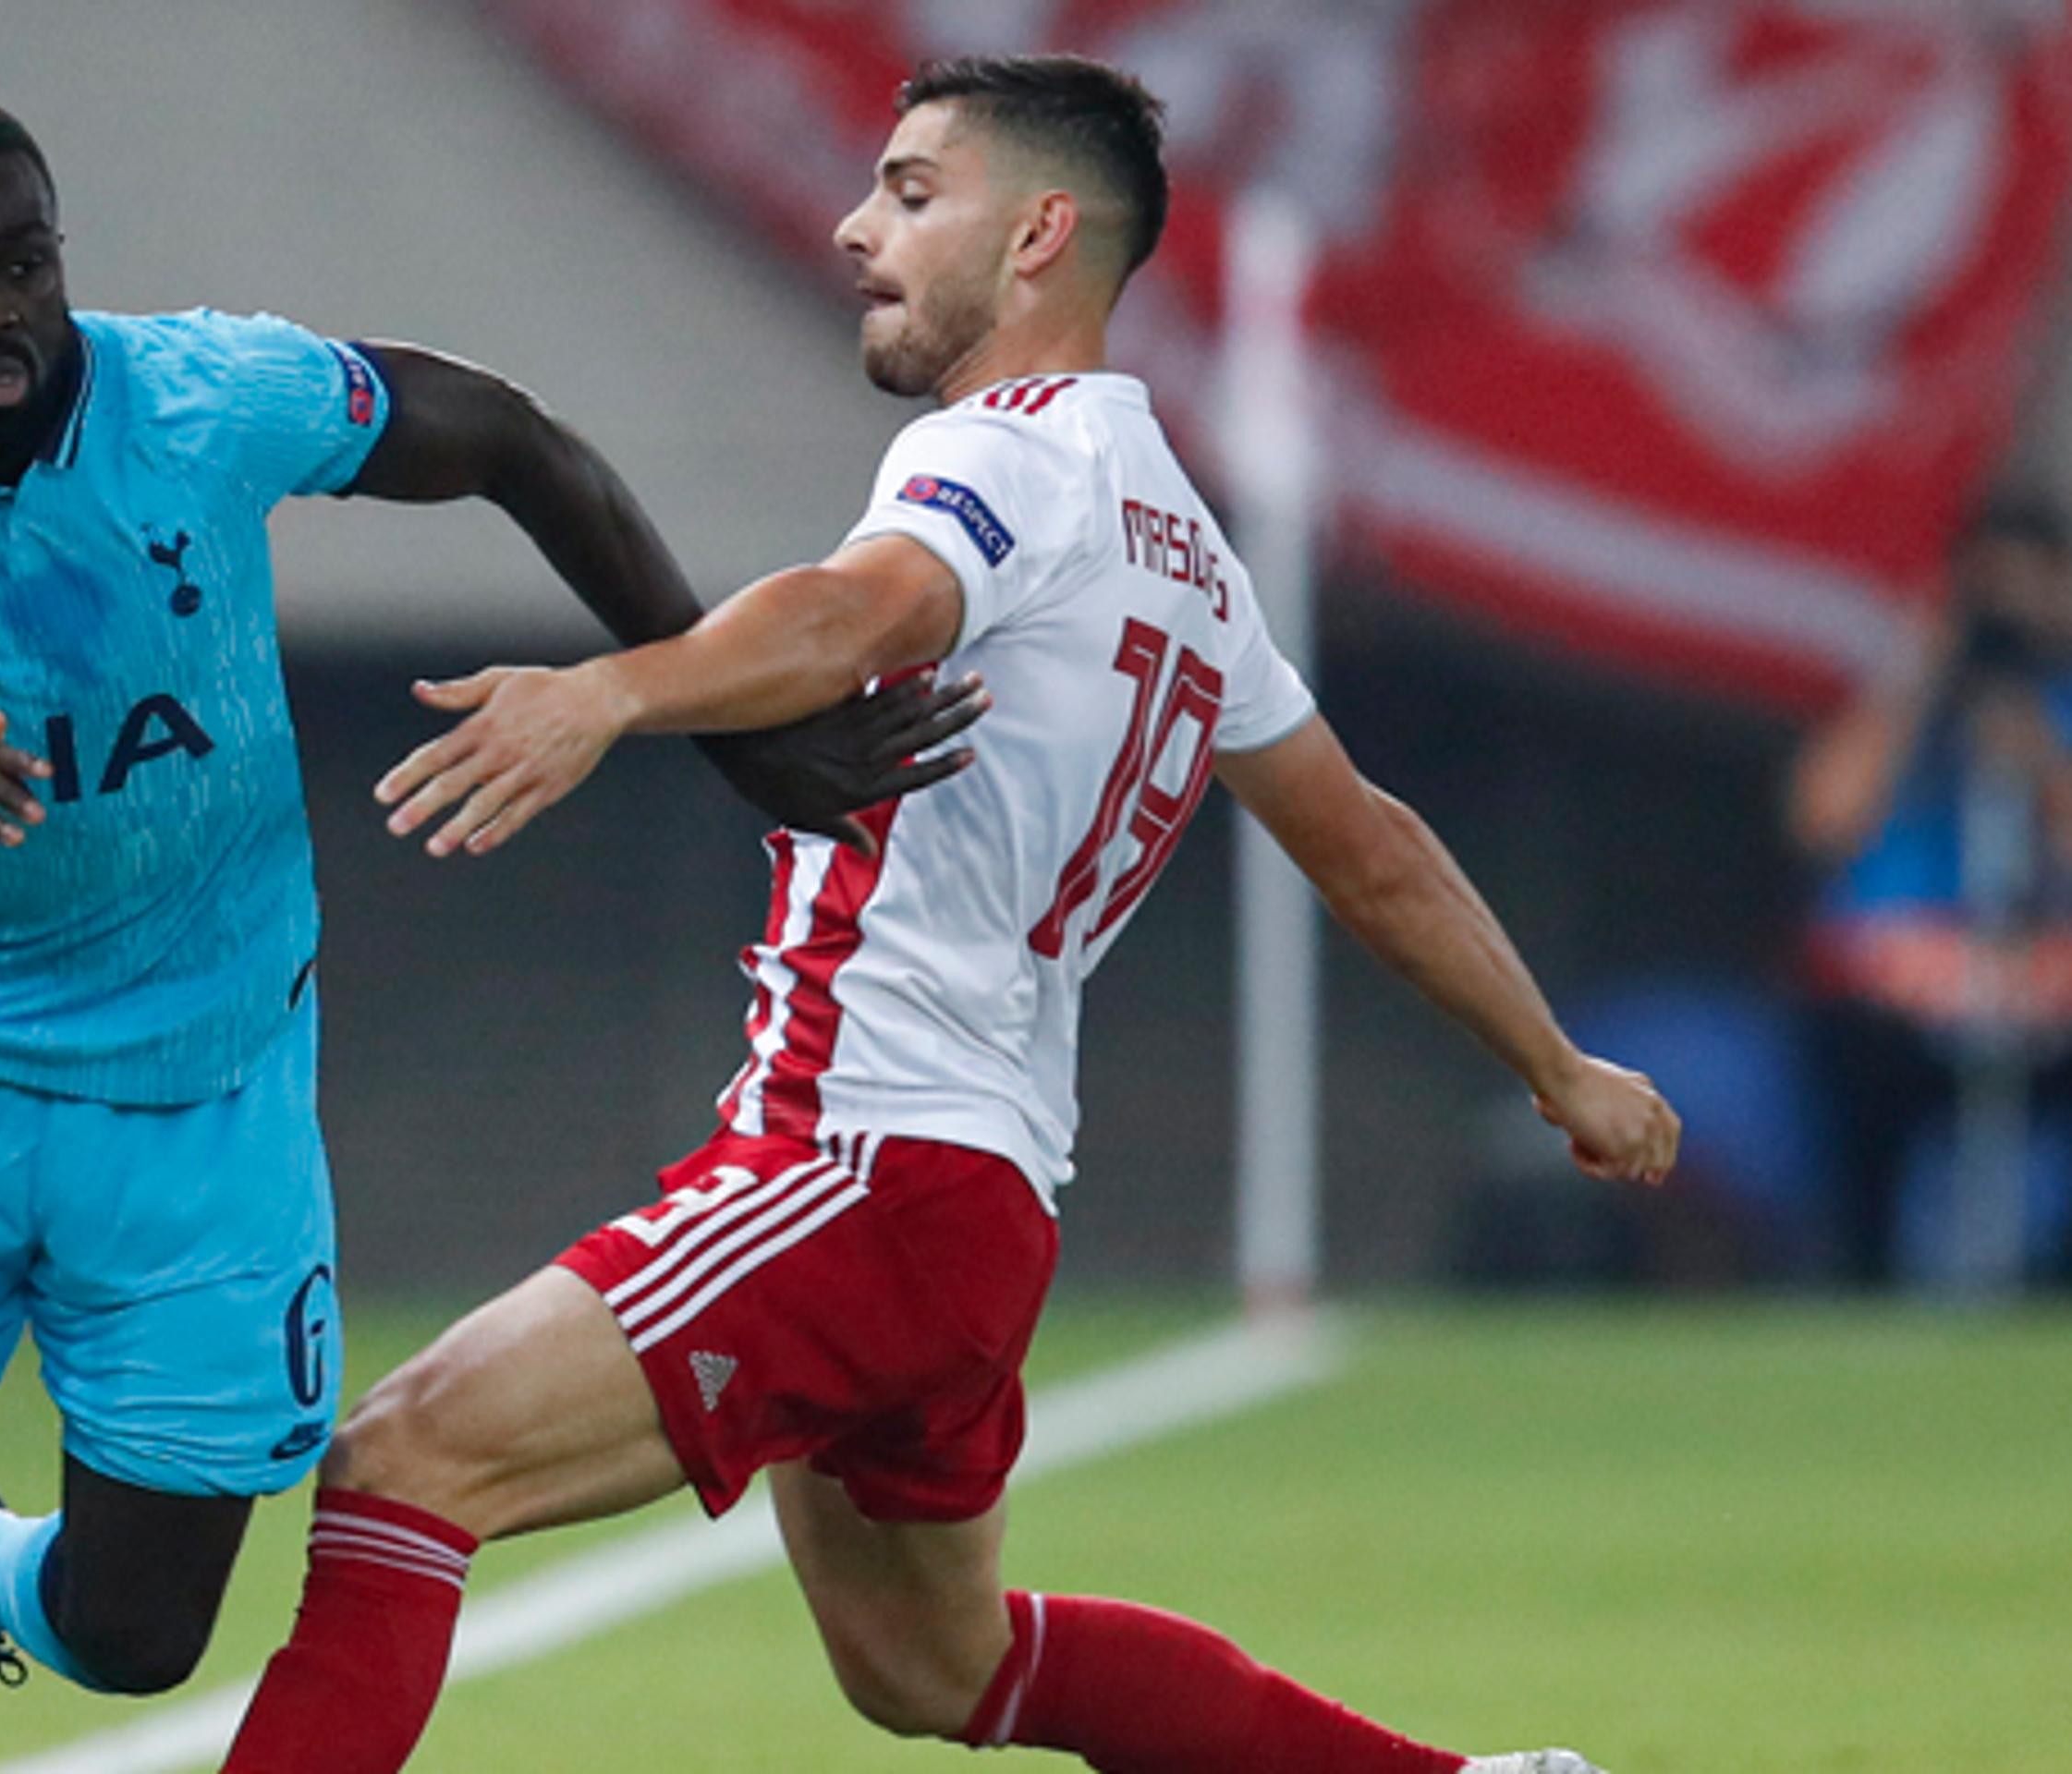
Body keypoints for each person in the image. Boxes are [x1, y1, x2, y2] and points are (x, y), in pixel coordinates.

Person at [217, 55, 1680, 1774]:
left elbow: (858, 614)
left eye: (913, 193)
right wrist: (1557, 1066)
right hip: (976, 1207)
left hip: (858, 1163)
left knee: (405, 1461)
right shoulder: (1186, 549)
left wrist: (611, 692)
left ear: (1042, 233)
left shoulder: (1009, 458)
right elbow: (1369, 846)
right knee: (934, 1668)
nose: (856, 228)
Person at [0, 89, 975, 1774]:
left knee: (143, 1634)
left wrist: (712, 711)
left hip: (208, 1085)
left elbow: (504, 436)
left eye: (22, 263)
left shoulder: (199, 397)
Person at [1788, 497, 2072, 1287]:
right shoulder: (1905, 702)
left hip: (2038, 982)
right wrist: (1925, 663)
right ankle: (1855, 1277)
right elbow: (1823, 820)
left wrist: (2040, 769)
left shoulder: (2054, 702)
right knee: (1852, 1086)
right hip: (1895, 990)